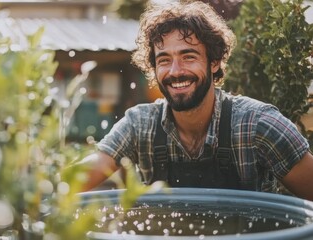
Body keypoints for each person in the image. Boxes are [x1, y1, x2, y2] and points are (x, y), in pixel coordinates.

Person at [77, 1, 313, 201]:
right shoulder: (139, 125)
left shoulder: (259, 125)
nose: (175, 71)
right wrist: (41, 189)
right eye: (164, 60)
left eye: (188, 57)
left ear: (214, 62)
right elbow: (79, 178)